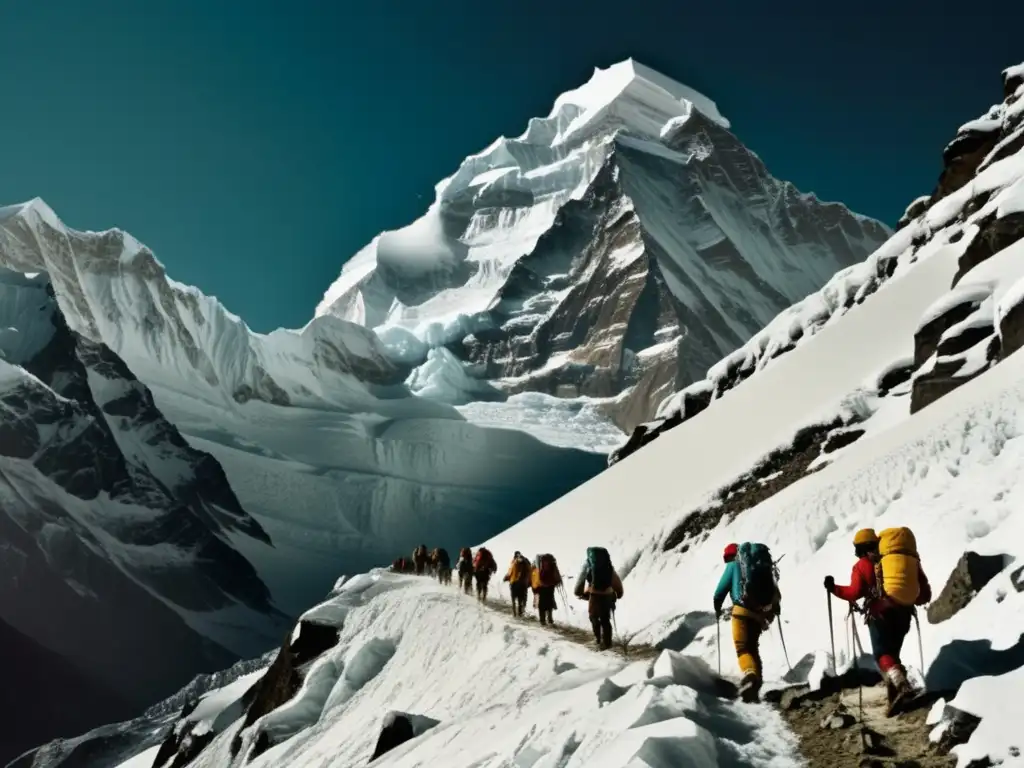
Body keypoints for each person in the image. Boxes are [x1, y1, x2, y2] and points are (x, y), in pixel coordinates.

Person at [825, 527, 932, 716]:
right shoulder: (897, 560)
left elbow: (854, 592)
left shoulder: (862, 565)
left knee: (882, 654)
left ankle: (901, 684)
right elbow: (924, 594)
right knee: (893, 656)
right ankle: (895, 700)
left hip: (879, 615)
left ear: (860, 548)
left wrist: (833, 588)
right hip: (904, 614)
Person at [713, 542, 782, 703]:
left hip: (741, 612)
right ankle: (755, 685)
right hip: (759, 615)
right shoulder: (759, 567)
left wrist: (717, 607)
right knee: (753, 648)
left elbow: (720, 591)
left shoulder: (732, 565)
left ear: (729, 556)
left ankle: (750, 676)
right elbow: (775, 591)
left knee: (743, 649)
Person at [574, 546, 623, 650]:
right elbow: (616, 582)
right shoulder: (609, 567)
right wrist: (619, 593)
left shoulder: (589, 566)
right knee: (605, 619)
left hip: (594, 596)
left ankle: (598, 639)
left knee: (594, 617)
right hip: (608, 595)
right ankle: (608, 643)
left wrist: (581, 593)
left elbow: (584, 583)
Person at [532, 553, 562, 626]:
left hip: (541, 587)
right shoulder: (552, 564)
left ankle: (542, 620)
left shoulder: (538, 566)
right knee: (550, 601)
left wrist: (535, 587)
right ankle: (550, 619)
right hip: (551, 586)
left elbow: (535, 578)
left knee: (541, 604)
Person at [503, 551, 532, 617]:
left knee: (513, 598)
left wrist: (506, 578)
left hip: (514, 583)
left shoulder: (514, 561)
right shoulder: (526, 562)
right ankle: (521, 612)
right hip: (523, 583)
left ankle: (514, 612)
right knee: (521, 598)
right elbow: (530, 572)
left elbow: (510, 572)